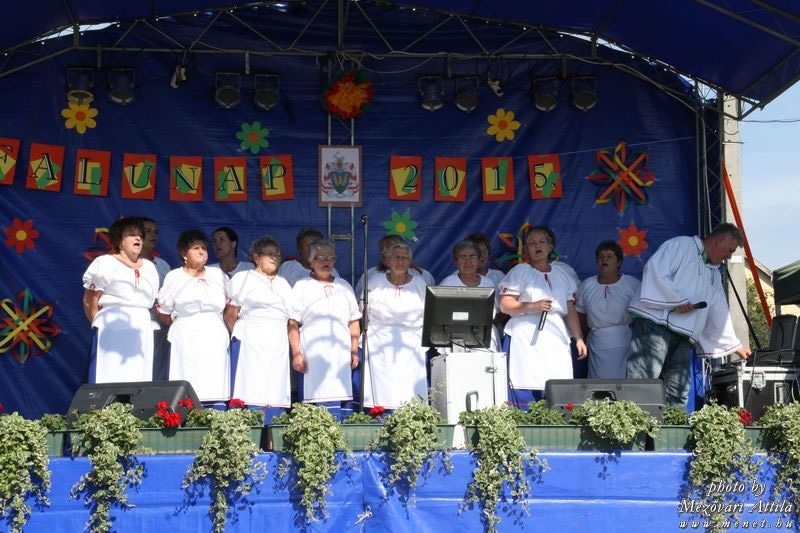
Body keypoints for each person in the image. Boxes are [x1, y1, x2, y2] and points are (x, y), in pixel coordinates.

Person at [626, 223, 751, 407]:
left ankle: (672, 425)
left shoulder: (714, 273)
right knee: (644, 381)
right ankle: (635, 425)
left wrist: (736, 346)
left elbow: (718, 311)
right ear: (720, 241)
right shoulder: (681, 245)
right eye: (730, 250)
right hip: (654, 324)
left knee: (678, 391)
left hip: (684, 335)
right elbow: (656, 270)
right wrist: (676, 300)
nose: (729, 256)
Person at [499, 226, 587, 408]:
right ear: (527, 249)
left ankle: (556, 419)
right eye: (532, 243)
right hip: (525, 337)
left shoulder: (562, 274)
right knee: (526, 378)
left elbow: (570, 309)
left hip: (556, 338)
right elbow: (505, 305)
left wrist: (578, 338)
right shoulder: (520, 271)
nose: (537, 246)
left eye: (541, 242)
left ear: (550, 246)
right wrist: (532, 306)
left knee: (556, 381)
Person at [288, 240, 361, 420]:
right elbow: (293, 323)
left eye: (330, 258)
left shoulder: (344, 286)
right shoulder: (302, 286)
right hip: (313, 352)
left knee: (340, 394)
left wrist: (354, 350)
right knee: (315, 396)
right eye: (320, 258)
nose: (326, 262)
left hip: (341, 352)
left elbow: (353, 322)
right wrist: (296, 353)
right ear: (311, 262)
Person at [82, 217, 159, 383]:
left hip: (142, 327)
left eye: (140, 235)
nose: (138, 238)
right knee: (109, 375)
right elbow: (90, 300)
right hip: (112, 327)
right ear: (119, 240)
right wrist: (101, 324)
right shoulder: (105, 262)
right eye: (131, 234)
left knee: (139, 377)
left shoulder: (150, 267)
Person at [158, 230, 231, 405]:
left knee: (214, 378)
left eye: (204, 248)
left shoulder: (218, 274)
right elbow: (163, 312)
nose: (201, 252)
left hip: (215, 334)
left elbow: (231, 305)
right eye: (196, 248)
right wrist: (183, 325)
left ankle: (216, 412)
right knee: (188, 377)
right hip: (186, 336)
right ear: (184, 254)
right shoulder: (174, 277)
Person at [224, 236, 292, 423]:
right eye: (269, 254)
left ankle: (272, 432)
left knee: (275, 389)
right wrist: (241, 336)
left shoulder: (283, 283)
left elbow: (290, 318)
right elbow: (230, 314)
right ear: (256, 257)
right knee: (249, 386)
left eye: (277, 255)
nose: (274, 258)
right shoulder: (243, 278)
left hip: (277, 343)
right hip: (251, 341)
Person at [361, 241, 429, 410]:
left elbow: (429, 314)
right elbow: (363, 312)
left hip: (412, 343)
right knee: (381, 388)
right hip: (379, 343)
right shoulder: (374, 282)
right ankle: (379, 417)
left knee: (409, 390)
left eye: (405, 258)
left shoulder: (420, 284)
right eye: (396, 257)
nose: (400, 261)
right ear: (388, 260)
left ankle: (411, 419)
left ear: (410, 261)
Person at [576, 241, 641, 379]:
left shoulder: (632, 284)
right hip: (596, 342)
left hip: (625, 341)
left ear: (619, 262)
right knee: (600, 384)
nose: (604, 260)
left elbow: (642, 315)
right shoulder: (587, 285)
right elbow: (580, 315)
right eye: (600, 257)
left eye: (609, 256)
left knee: (623, 383)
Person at [439, 240, 501, 351]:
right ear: (456, 262)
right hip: (456, 336)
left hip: (485, 336)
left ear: (478, 260)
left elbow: (497, 312)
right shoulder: (448, 283)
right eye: (463, 257)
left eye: (472, 257)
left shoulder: (488, 284)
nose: (468, 261)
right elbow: (439, 315)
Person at [138, 216, 171, 381]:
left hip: (161, 325)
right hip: (138, 324)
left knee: (157, 368)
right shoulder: (130, 264)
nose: (153, 235)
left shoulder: (163, 265)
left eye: (155, 232)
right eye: (148, 231)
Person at [355, 234, 435, 298]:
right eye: (382, 248)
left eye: (389, 247)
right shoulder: (370, 275)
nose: (384, 251)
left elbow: (432, 304)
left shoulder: (422, 275)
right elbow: (360, 303)